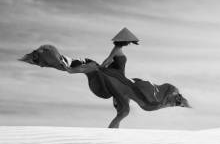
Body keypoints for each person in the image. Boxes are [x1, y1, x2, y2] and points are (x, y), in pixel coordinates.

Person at [19, 28, 190, 128]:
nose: (129, 43)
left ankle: (110, 134)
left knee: (126, 110)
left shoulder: (119, 50)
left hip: (119, 78)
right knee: (141, 105)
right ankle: (63, 64)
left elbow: (109, 61)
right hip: (118, 78)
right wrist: (101, 70)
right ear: (124, 41)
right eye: (128, 41)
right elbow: (107, 61)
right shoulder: (117, 50)